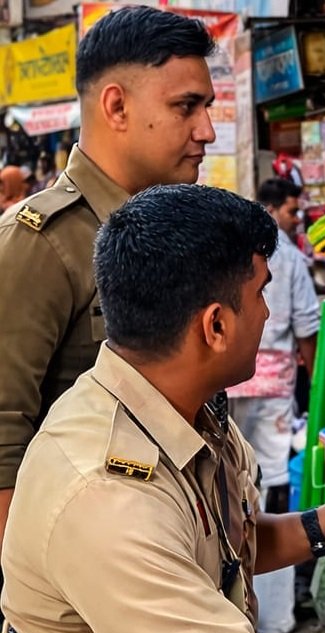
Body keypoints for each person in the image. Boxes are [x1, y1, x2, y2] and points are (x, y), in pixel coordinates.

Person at [0, 184, 325, 633]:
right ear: (216, 325)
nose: (268, 314)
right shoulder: (104, 492)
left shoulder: (184, 412)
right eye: (261, 293)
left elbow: (220, 549)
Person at [0, 6, 217, 559]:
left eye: (207, 107)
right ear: (116, 106)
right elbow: (2, 438)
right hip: (82, 587)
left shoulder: (176, 236)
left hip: (165, 559)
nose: (206, 131)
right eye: (185, 107)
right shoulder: (43, 243)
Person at [226, 177, 319, 633]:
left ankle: (250, 611)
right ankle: (276, 614)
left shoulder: (234, 248)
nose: (293, 219)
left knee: (229, 488)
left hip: (227, 389)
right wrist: (315, 383)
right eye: (290, 211)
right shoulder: (291, 258)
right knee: (272, 484)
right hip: (270, 390)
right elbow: (308, 331)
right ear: (272, 207)